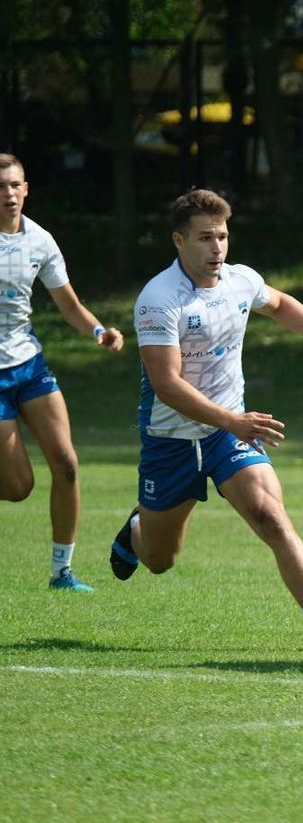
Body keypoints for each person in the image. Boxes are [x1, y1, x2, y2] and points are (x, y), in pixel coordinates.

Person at [108, 189, 303, 653]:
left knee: (271, 516)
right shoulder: (158, 299)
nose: (217, 249)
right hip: (172, 440)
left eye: (223, 236)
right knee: (161, 560)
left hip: (230, 435)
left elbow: (281, 304)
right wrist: (231, 419)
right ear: (178, 241)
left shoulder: (240, 280)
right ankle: (136, 531)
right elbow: (166, 384)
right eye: (205, 238)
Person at [0, 153, 125, 593]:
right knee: (17, 487)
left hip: (28, 364)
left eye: (15, 185)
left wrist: (98, 331)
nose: (9, 194)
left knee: (68, 465)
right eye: (1, 187)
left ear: (27, 189)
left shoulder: (40, 240)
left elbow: (68, 303)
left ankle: (62, 572)